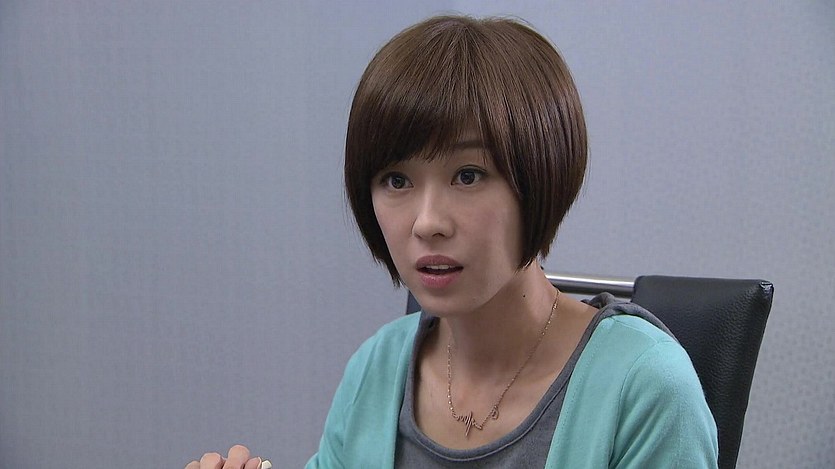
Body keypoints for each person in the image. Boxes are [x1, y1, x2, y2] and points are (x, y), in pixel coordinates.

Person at [186, 15, 718, 469]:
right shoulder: (377, 368)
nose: (427, 222)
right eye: (397, 180)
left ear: (541, 178)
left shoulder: (644, 387)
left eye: (468, 175)